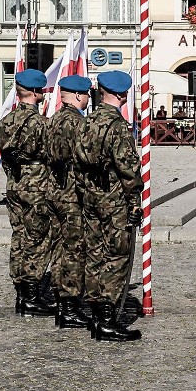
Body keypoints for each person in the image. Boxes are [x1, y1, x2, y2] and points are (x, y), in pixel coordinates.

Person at [74, 70, 144, 342]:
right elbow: (128, 170)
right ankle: (106, 320)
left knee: (94, 254)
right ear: (122, 95)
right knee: (116, 257)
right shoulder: (117, 127)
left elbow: (76, 164)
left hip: (91, 198)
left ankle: (95, 315)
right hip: (114, 201)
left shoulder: (87, 122)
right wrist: (134, 202)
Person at [0, 69, 54, 317]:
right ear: (35, 92)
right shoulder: (41, 124)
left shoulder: (5, 121)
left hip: (14, 185)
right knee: (37, 239)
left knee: (19, 235)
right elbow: (53, 157)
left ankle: (21, 292)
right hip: (36, 186)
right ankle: (31, 295)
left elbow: (5, 156)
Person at [46, 75, 91, 329]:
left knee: (59, 248)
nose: (87, 99)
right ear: (77, 96)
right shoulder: (76, 122)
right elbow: (85, 158)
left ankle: (61, 303)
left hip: (54, 191)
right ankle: (70, 307)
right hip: (72, 194)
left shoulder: (53, 120)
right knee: (74, 250)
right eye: (86, 95)